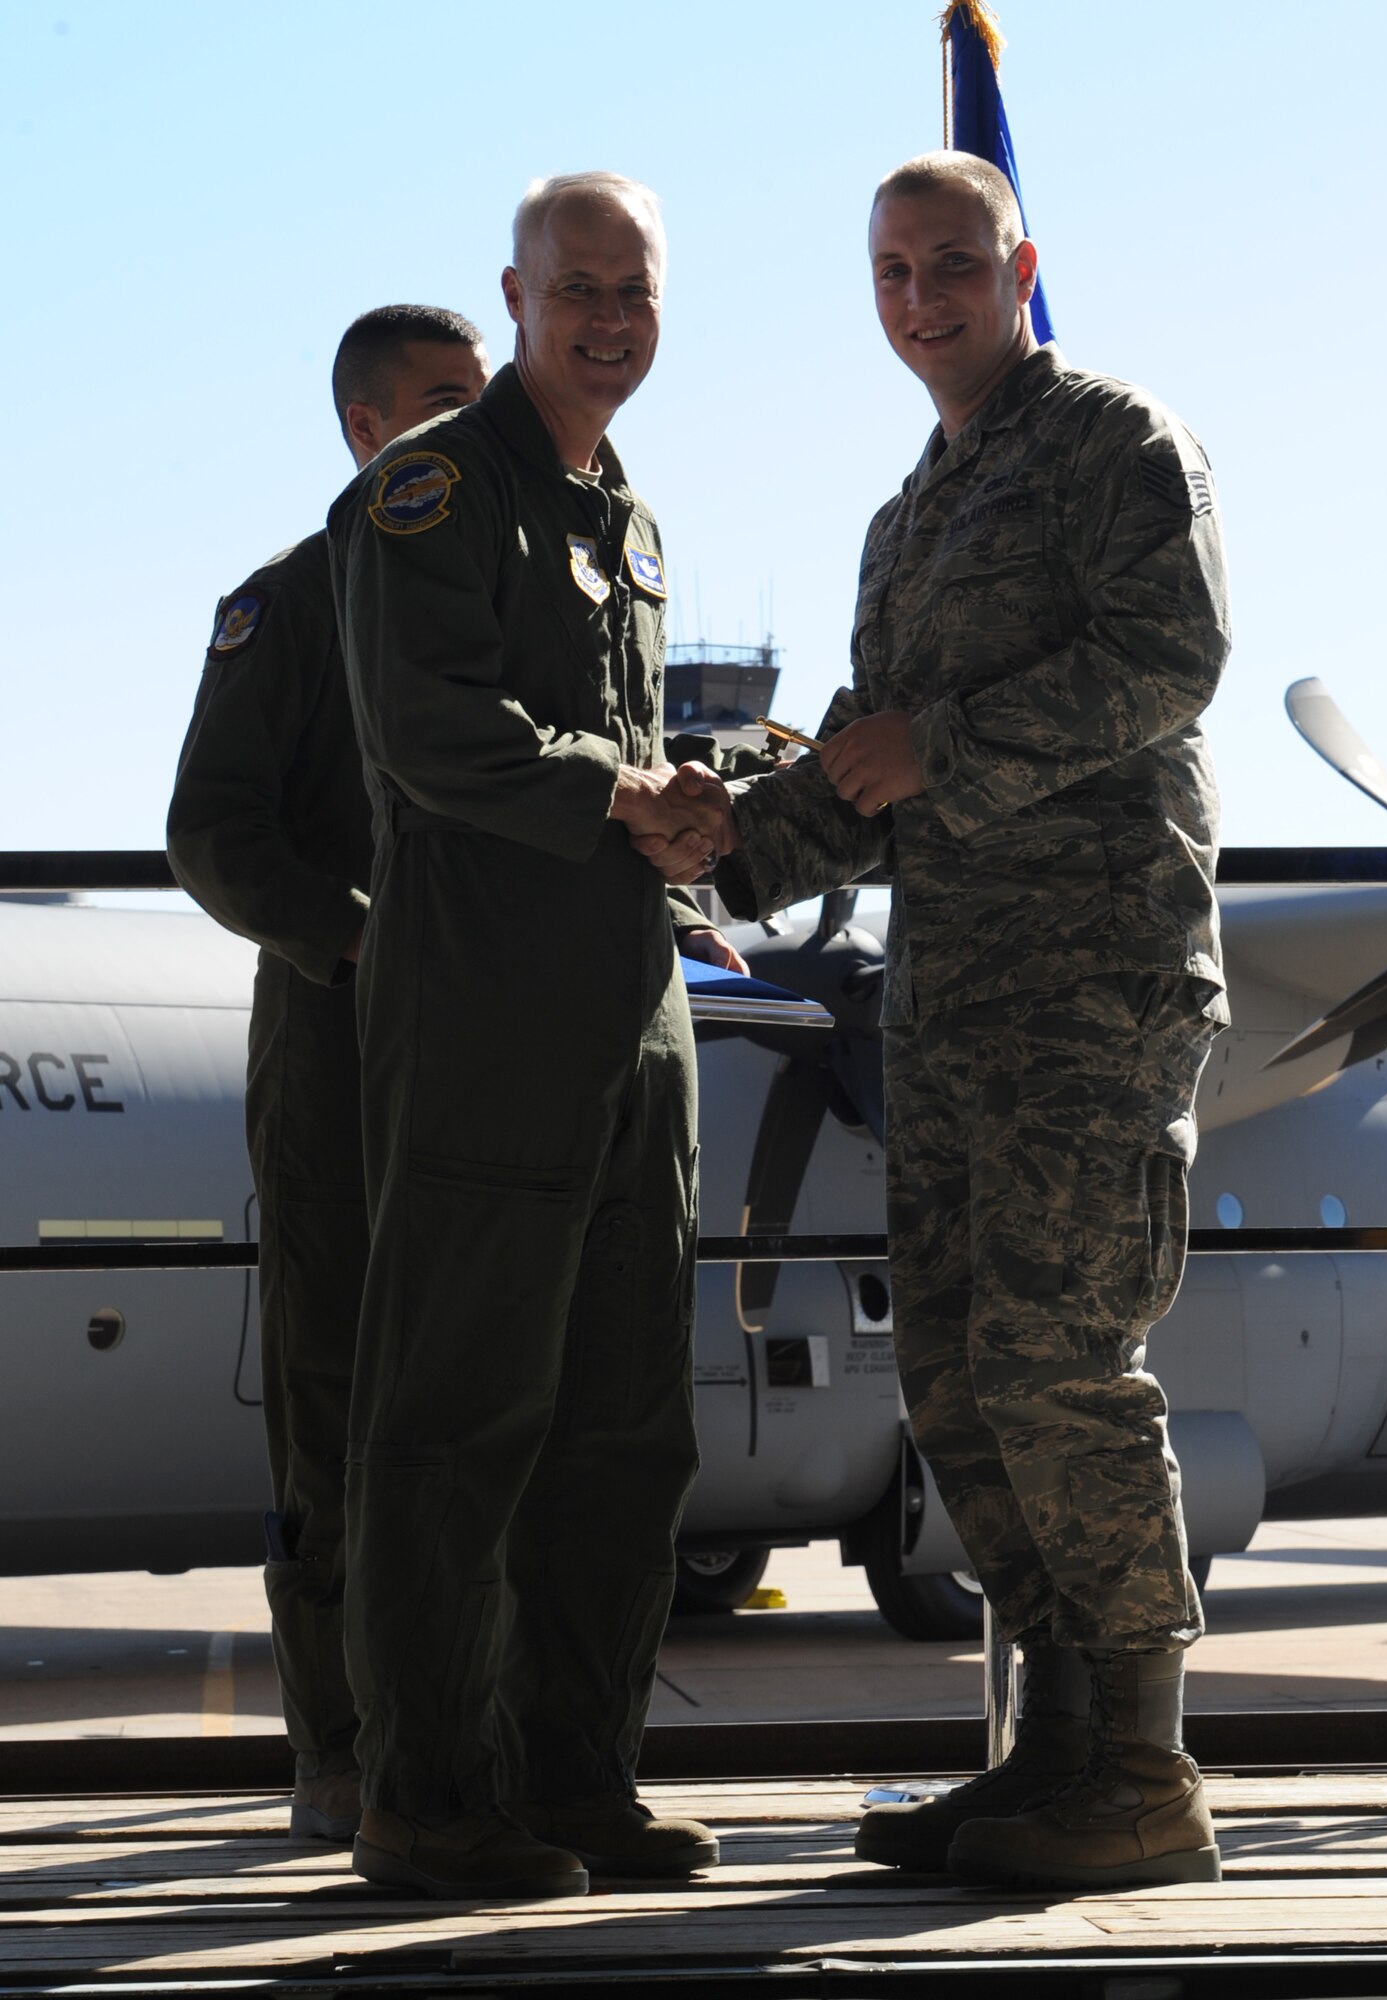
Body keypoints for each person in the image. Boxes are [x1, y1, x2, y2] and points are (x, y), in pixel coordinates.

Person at [641, 151, 1232, 1893]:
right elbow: (864, 770)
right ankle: (1054, 1749)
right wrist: (720, 835)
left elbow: (1173, 656)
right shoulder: (911, 516)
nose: (922, 298)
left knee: (1064, 1369)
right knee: (963, 1385)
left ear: (1017, 264)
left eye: (951, 264)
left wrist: (944, 752)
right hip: (956, 1006)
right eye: (893, 271)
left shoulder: (1116, 444)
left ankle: (1144, 1768)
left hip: (1095, 989)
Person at [327, 172, 738, 1902]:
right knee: (458, 1422)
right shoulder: (433, 496)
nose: (608, 320)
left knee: (627, 1429)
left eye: (634, 291)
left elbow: (630, 747)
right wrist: (626, 791)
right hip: (489, 1013)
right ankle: (429, 1796)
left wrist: (709, 814)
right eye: (578, 289)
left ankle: (578, 1780)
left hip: (634, 1019)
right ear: (517, 296)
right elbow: (430, 729)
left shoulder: (625, 518)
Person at [166, 305, 491, 1842]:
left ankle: (483, 1738)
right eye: (442, 402)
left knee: (500, 1394)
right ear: (367, 432)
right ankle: (344, 1747)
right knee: (336, 1399)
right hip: (341, 1057)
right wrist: (355, 942)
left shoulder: (510, 603)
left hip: (507, 1061)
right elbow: (214, 831)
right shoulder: (290, 608)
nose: (471, 422)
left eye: (480, 397)